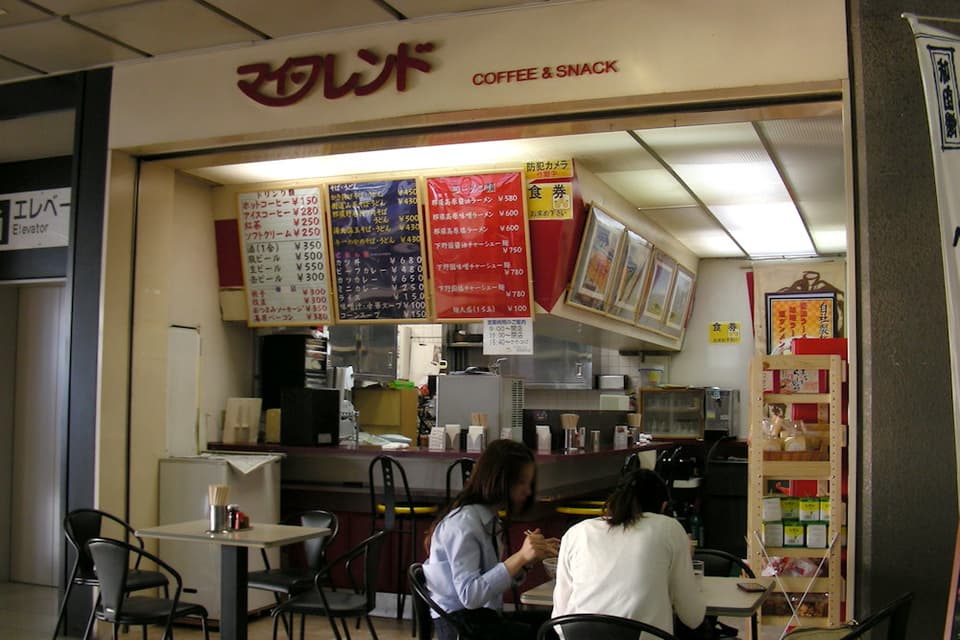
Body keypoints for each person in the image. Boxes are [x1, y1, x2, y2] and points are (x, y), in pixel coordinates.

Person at [423, 439, 560, 640]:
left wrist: (526, 562)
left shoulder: (488, 519)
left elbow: (488, 582)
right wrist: (519, 558)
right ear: (500, 480)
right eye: (522, 482)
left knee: (555, 623)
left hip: (479, 618)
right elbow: (470, 596)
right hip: (461, 626)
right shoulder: (463, 525)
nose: (528, 491)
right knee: (549, 633)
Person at [552, 468, 706, 635]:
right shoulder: (669, 529)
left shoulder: (576, 533)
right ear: (663, 506)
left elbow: (560, 621)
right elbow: (693, 617)